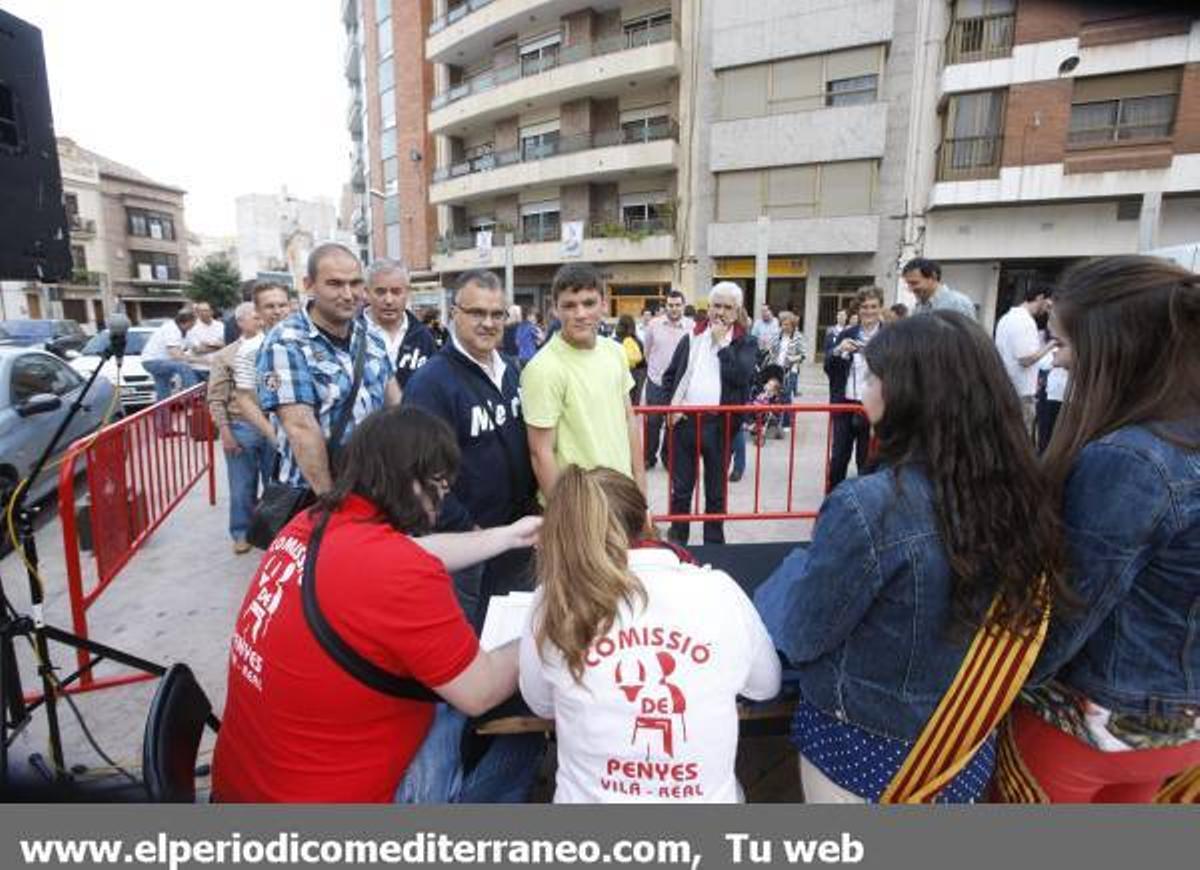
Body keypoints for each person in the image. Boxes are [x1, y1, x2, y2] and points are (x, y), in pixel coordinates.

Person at [755, 311, 1064, 802]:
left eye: (872, 377)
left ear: (906, 394)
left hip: (862, 748)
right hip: (961, 746)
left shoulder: (869, 505)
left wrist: (790, 578)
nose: (863, 389)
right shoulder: (1025, 493)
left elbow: (802, 634)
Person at [211, 407, 541, 802]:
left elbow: (412, 552)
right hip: (330, 806)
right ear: (411, 480)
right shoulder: (399, 574)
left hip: (251, 784)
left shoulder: (308, 525)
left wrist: (508, 536)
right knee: (523, 734)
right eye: (441, 485)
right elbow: (480, 690)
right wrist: (547, 624)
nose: (443, 499)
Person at [1000, 256, 1200, 803]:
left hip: (1086, 727)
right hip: (1175, 728)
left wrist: (994, 689)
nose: (1056, 358)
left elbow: (1072, 608)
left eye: (1063, 343)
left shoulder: (1132, 460)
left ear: (1117, 348)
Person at [519, 466, 781, 803]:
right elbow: (766, 685)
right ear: (647, 520)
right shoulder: (719, 591)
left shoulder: (552, 601)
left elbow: (540, 703)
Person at [399, 269, 543, 804]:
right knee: (464, 662)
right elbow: (420, 471)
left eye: (496, 313)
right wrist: (469, 528)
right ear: (453, 313)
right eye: (476, 312)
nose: (487, 322)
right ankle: (455, 778)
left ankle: (504, 747)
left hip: (514, 538)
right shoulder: (433, 382)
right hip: (468, 547)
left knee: (506, 639)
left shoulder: (512, 370)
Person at [257, 242, 400, 495]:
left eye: (355, 283)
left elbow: (395, 404)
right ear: (309, 285)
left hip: (375, 486)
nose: (348, 294)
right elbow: (300, 427)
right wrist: (330, 501)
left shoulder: (371, 335)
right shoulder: (286, 342)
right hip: (316, 494)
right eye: (335, 284)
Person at [521, 263, 646, 499]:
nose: (580, 314)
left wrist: (641, 493)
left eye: (589, 303)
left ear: (604, 304)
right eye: (569, 305)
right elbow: (541, 453)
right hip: (578, 506)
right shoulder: (542, 368)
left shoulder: (615, 352)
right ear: (555, 309)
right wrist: (565, 514)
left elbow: (629, 419)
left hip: (623, 499)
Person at [661, 282, 757, 545]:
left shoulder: (745, 342)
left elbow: (741, 376)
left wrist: (722, 345)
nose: (720, 312)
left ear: (737, 311)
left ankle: (714, 547)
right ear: (709, 307)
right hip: (686, 424)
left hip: (720, 427)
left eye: (727, 307)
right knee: (681, 491)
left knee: (715, 494)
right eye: (716, 306)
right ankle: (677, 543)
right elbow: (670, 377)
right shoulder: (692, 337)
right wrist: (672, 407)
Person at [207, 302, 272, 555]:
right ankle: (242, 533)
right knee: (242, 486)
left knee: (275, 484)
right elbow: (216, 398)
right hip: (242, 427)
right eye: (254, 317)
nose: (259, 320)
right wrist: (225, 432)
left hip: (273, 425)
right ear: (240, 322)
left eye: (260, 316)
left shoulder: (274, 346)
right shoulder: (226, 355)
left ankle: (273, 531)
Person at [828, 286, 884, 488]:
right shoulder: (847, 333)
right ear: (858, 309)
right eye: (865, 307)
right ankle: (834, 498)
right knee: (838, 458)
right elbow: (829, 368)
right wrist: (838, 351)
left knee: (867, 460)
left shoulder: (889, 335)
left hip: (874, 408)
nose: (869, 311)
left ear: (880, 308)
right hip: (845, 404)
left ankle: (865, 501)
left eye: (873, 306)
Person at [231, 281, 292, 451]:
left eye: (282, 305)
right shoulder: (249, 349)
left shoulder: (309, 340)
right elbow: (243, 398)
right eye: (270, 306)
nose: (277, 311)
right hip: (278, 433)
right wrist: (272, 434)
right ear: (257, 311)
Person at [361, 258, 437, 390]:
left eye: (396, 292)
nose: (389, 300)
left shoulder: (423, 337)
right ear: (367, 293)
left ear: (407, 293)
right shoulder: (349, 333)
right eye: (380, 292)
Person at [994, 284, 1057, 437]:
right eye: (1048, 305)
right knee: (1020, 438)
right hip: (1021, 392)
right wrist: (1052, 344)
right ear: (1040, 298)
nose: (1048, 310)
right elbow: (1025, 360)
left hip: (1006, 387)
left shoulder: (1007, 318)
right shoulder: (1024, 321)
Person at [642, 290, 691, 470]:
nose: (674, 308)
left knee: (673, 423)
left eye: (677, 305)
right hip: (656, 381)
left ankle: (668, 457)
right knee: (652, 422)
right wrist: (656, 370)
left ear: (683, 306)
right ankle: (649, 457)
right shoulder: (654, 325)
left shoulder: (691, 327)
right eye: (670, 305)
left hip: (678, 384)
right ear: (666, 306)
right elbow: (647, 351)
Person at [141, 307, 199, 402]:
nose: (193, 326)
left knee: (163, 390)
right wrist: (198, 360)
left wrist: (213, 345)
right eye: (193, 324)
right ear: (187, 322)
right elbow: (176, 355)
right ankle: (194, 392)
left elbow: (196, 347)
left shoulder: (184, 332)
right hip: (153, 361)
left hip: (159, 361)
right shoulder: (171, 329)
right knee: (183, 366)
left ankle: (162, 408)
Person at [903, 257, 976, 320]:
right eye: (908, 284)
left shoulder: (957, 303)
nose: (910, 289)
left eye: (914, 283)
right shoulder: (919, 307)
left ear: (933, 277)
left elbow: (969, 332)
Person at [766, 311, 806, 423]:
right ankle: (775, 418)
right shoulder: (777, 335)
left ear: (792, 325)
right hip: (776, 368)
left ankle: (786, 422)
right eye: (783, 324)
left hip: (790, 370)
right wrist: (770, 350)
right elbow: (771, 349)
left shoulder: (798, 337)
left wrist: (793, 359)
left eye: (787, 325)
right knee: (774, 393)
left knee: (786, 395)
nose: (784, 327)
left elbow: (803, 355)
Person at [1035, 342, 1069, 454]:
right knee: (1046, 435)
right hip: (1052, 396)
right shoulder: (1055, 347)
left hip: (1064, 397)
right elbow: (1043, 363)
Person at [184, 301, 227, 380]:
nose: (204, 313)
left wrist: (207, 344)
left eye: (206, 310)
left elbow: (226, 344)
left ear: (211, 311)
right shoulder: (192, 327)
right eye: (200, 311)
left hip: (217, 368)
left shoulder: (220, 326)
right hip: (198, 368)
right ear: (197, 313)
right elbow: (198, 350)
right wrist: (218, 346)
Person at [615, 313, 647, 405]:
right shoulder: (638, 341)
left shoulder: (614, 342)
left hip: (619, 378)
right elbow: (643, 362)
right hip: (636, 378)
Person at [822, 309, 851, 403]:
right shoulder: (830, 331)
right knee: (834, 391)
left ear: (846, 317)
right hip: (833, 365)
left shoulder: (849, 331)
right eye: (839, 315)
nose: (841, 317)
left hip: (846, 365)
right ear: (837, 317)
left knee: (845, 392)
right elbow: (827, 348)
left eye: (843, 315)